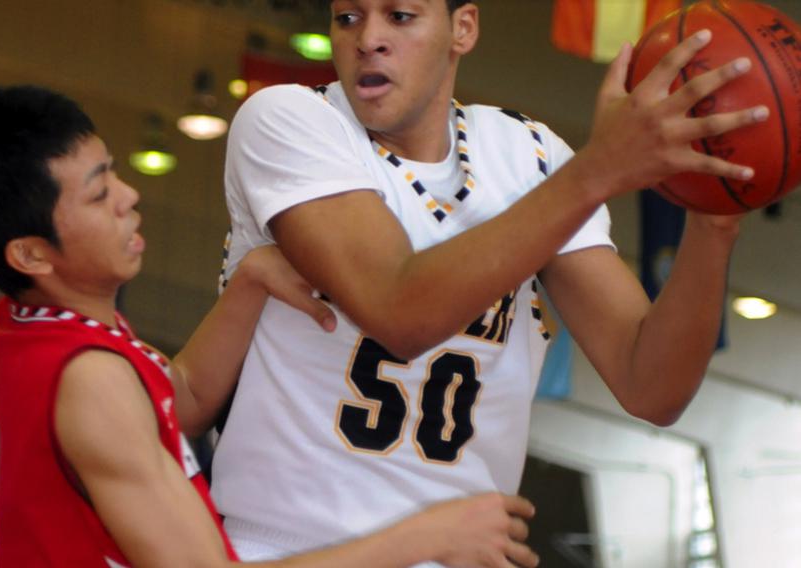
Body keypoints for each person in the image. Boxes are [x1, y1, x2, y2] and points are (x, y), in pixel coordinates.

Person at [212, 0, 767, 565]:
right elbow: (400, 312)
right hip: (291, 547)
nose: (368, 39)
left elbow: (652, 386)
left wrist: (714, 221)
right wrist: (600, 168)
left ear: (463, 28)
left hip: (463, 554)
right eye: (347, 18)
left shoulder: (529, 153)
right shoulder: (289, 119)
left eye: (399, 16)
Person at [0, 84, 541, 567]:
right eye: (99, 195)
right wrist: (427, 535)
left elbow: (170, 403)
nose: (130, 196)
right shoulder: (91, 381)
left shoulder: (19, 322)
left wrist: (248, 284)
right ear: (30, 254)